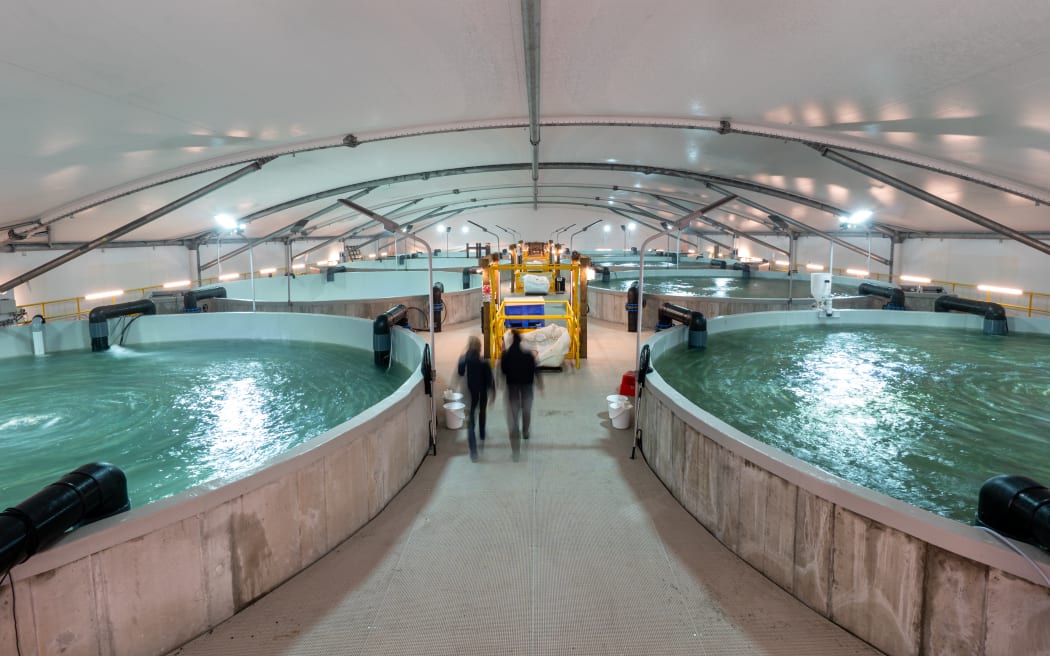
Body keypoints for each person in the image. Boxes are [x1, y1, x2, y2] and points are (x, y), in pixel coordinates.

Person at [499, 329, 542, 461]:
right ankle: (526, 431)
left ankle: (516, 451)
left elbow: (503, 371)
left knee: (513, 417)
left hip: (512, 389)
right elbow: (536, 370)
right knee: (526, 411)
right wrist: (541, 384)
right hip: (527, 388)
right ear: (521, 341)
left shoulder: (506, 355)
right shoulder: (528, 356)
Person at [457, 335, 494, 462]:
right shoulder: (484, 362)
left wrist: (463, 356)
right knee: (482, 412)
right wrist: (493, 393)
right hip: (482, 393)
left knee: (471, 422)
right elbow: (490, 380)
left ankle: (473, 452)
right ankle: (482, 434)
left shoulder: (464, 360)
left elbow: (460, 372)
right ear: (480, 348)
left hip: (470, 394)